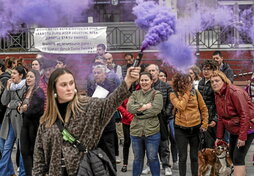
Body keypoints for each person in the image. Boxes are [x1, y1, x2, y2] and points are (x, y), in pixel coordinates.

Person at [32, 67, 140, 175]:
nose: (69, 88)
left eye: (71, 83)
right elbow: (39, 161)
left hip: (84, 171)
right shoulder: (46, 122)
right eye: (63, 85)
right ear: (54, 89)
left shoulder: (89, 107)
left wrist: (128, 81)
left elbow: (111, 102)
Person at [211, 70, 254, 176]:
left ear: (224, 81)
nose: (214, 83)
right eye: (212, 82)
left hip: (246, 128)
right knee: (233, 156)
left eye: (217, 81)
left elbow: (245, 115)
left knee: (238, 158)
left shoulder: (235, 92)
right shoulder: (218, 94)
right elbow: (221, 117)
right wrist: (219, 137)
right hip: (234, 129)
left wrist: (242, 137)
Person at [169, 73, 208, 176]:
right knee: (182, 157)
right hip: (180, 129)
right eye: (187, 82)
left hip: (195, 128)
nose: (190, 84)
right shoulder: (173, 94)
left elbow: (203, 108)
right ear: (179, 82)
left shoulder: (195, 92)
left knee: (194, 157)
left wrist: (204, 124)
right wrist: (187, 92)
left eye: (190, 82)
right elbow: (181, 106)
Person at [127, 72, 163, 176]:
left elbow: (156, 110)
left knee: (153, 158)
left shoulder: (157, 94)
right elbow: (129, 108)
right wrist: (146, 106)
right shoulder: (134, 94)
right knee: (137, 158)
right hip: (136, 132)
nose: (144, 82)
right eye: (142, 80)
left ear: (151, 81)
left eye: (146, 80)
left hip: (152, 132)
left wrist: (138, 111)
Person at [86, 64, 120, 170]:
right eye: (95, 73)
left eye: (99, 73)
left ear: (105, 74)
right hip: (95, 126)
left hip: (107, 125)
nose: (96, 75)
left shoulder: (111, 86)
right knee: (96, 154)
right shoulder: (91, 85)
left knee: (109, 153)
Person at [144, 64, 173, 176]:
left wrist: (166, 113)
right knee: (149, 144)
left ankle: (166, 166)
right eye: (149, 70)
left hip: (162, 119)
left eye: (153, 70)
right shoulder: (145, 86)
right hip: (148, 120)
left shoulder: (166, 86)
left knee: (164, 144)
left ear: (157, 72)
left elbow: (170, 101)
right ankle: (149, 165)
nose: (151, 72)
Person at [0, 66, 27, 176]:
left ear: (21, 75)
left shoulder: (25, 86)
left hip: (20, 120)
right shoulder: (10, 86)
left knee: (21, 148)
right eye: (12, 73)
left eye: (15, 73)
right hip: (10, 120)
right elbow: (4, 101)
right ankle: (3, 172)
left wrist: (11, 104)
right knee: (7, 147)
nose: (12, 76)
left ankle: (23, 173)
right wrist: (7, 88)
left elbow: (24, 102)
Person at [19, 70, 45, 176]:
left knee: (33, 153)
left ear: (36, 79)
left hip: (34, 126)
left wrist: (25, 108)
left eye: (31, 76)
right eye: (27, 76)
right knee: (24, 152)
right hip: (25, 125)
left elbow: (37, 110)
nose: (28, 78)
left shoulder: (39, 92)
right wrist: (21, 107)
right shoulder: (27, 90)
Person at [158, 69, 178, 170]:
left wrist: (167, 112)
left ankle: (175, 160)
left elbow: (171, 101)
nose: (163, 77)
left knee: (173, 138)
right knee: (163, 141)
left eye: (164, 76)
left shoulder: (169, 87)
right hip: (160, 119)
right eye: (160, 76)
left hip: (170, 117)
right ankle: (164, 161)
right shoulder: (155, 87)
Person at [198, 60, 218, 148]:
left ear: (213, 70)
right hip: (201, 117)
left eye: (208, 69)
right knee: (201, 143)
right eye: (204, 69)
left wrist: (215, 119)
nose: (206, 71)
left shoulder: (215, 82)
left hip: (212, 118)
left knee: (210, 144)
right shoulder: (201, 82)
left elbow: (219, 103)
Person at [118, 98, 134, 172]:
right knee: (127, 142)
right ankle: (125, 164)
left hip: (138, 121)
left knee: (138, 143)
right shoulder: (124, 90)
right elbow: (119, 104)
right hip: (126, 121)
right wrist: (126, 113)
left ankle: (138, 163)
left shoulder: (139, 89)